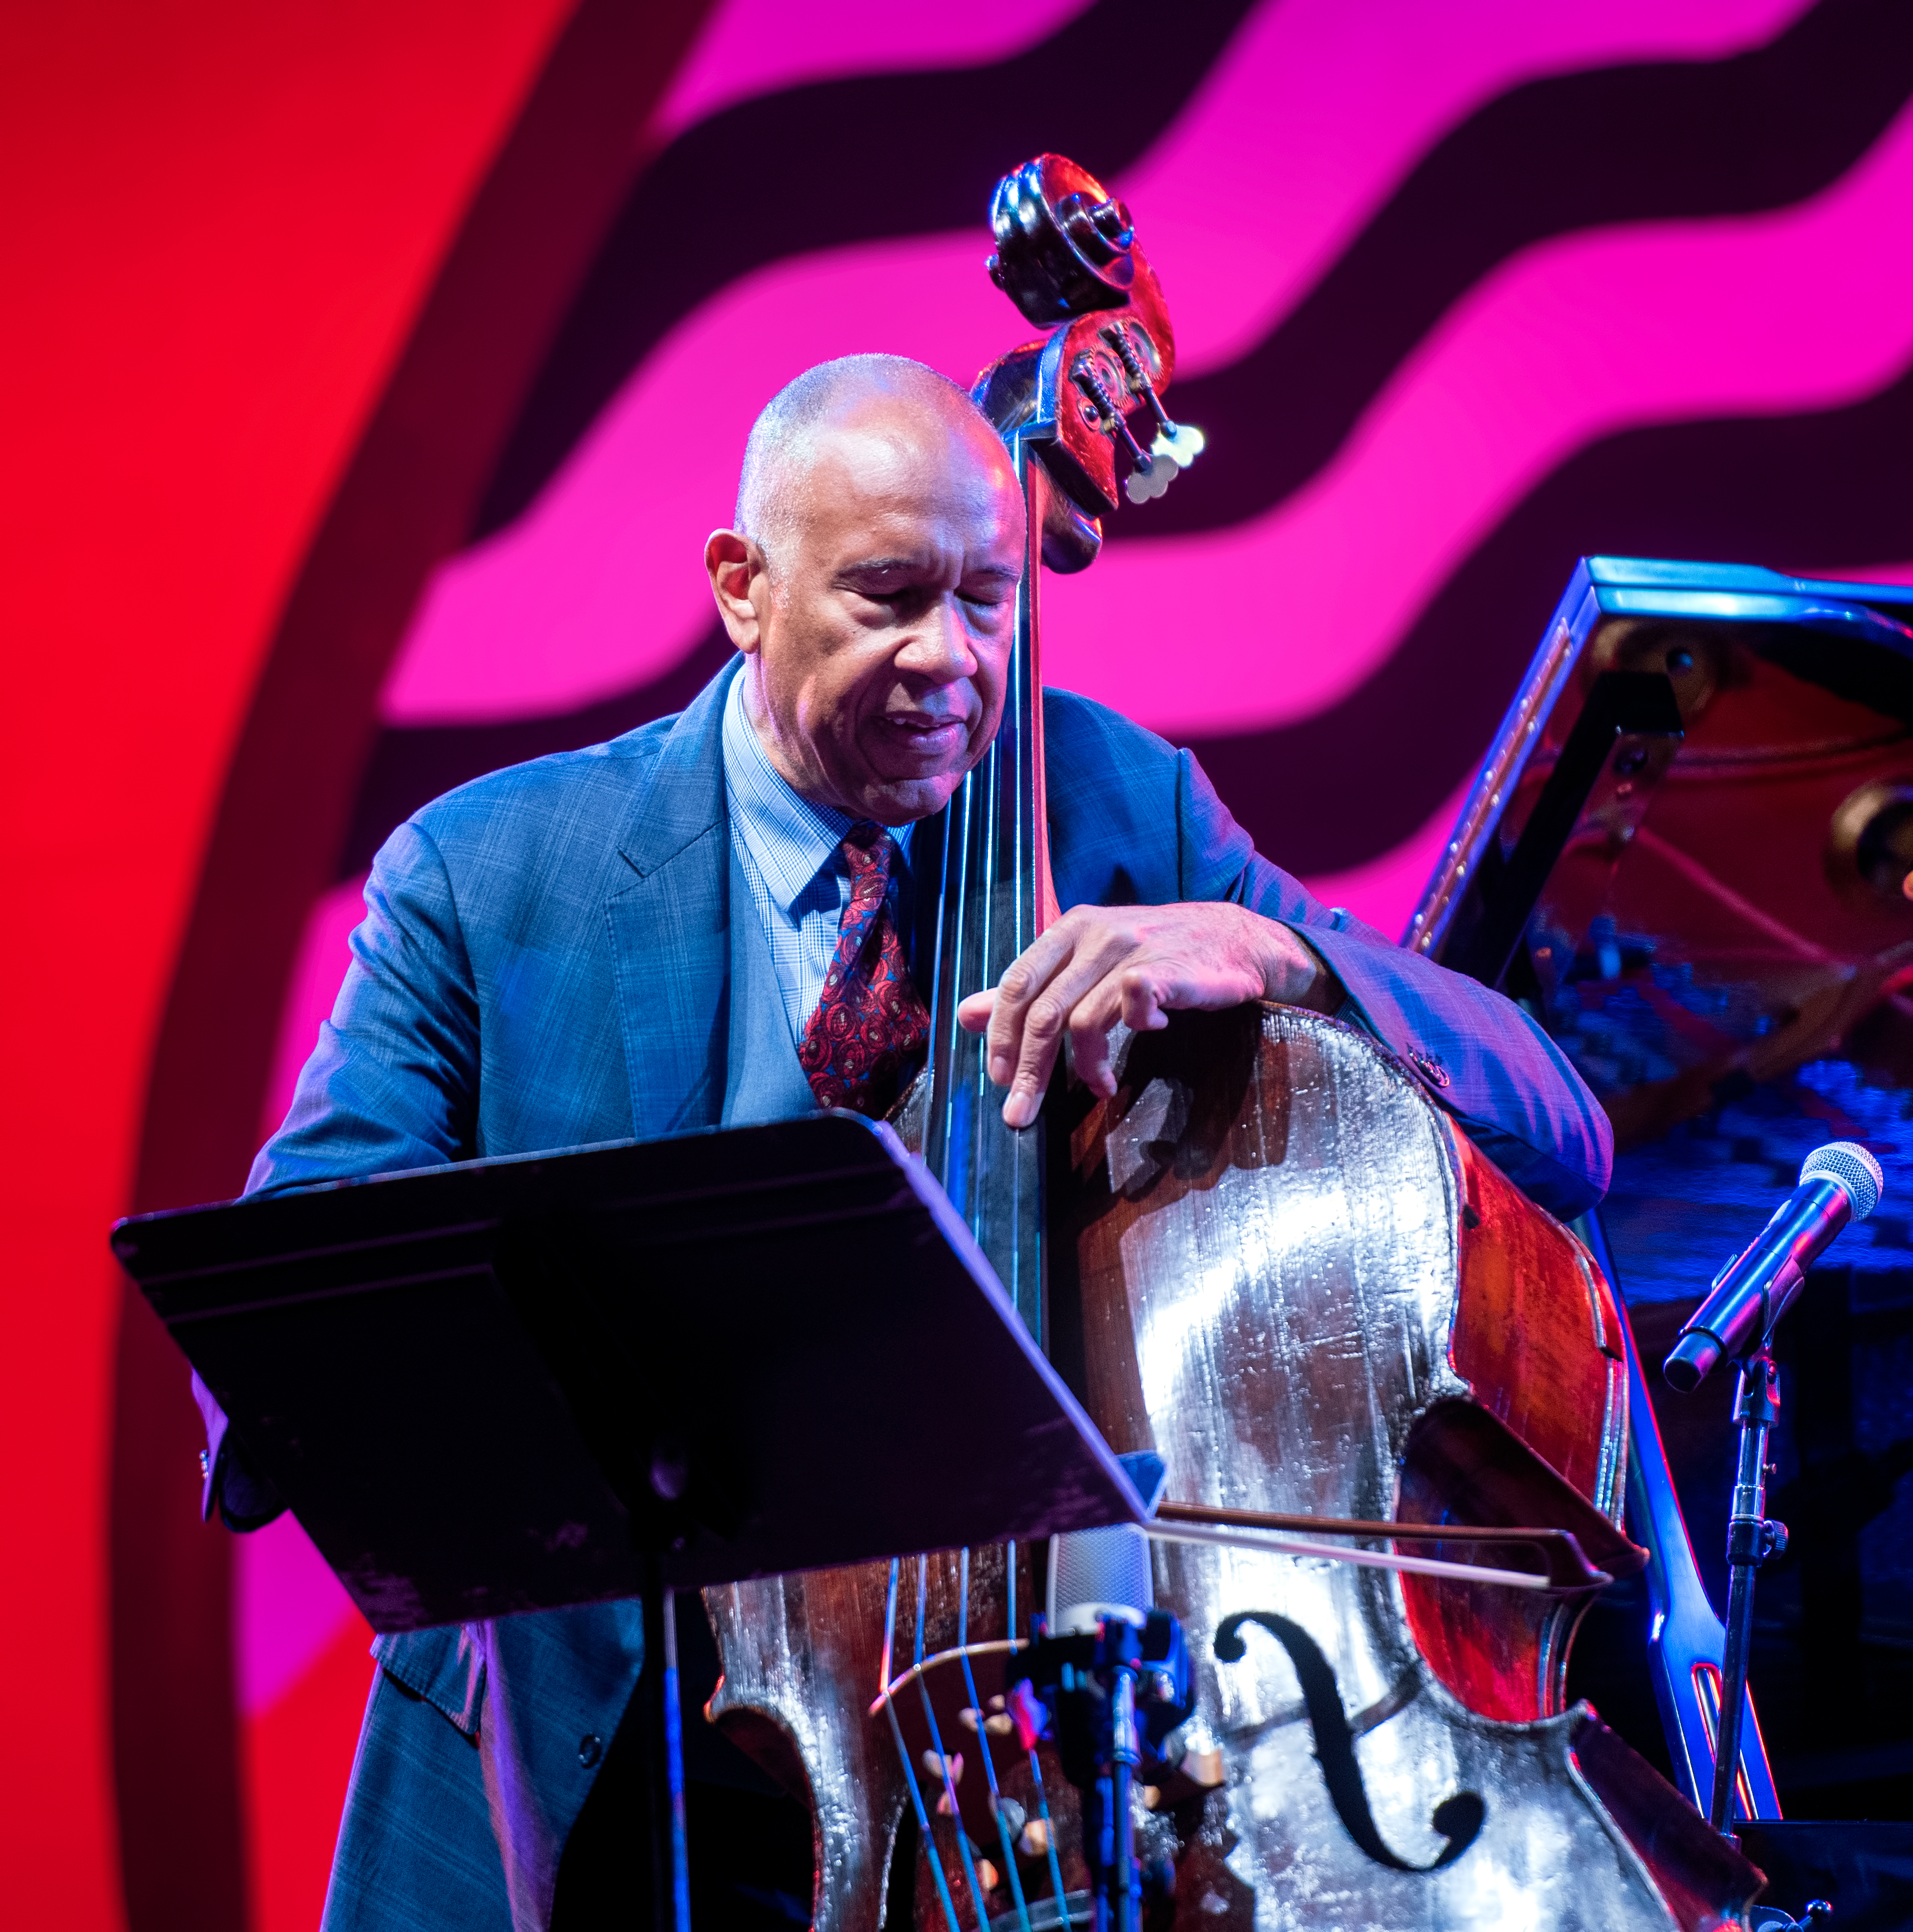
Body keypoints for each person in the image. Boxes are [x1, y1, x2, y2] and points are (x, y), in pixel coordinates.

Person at [217, 355, 1611, 1929]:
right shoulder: (485, 872)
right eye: (887, 596)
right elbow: (305, 1280)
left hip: (1039, 1766)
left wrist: (1271, 951)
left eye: (989, 601)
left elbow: (1557, 1117)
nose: (951, 659)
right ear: (743, 587)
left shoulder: (1111, 802)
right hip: (604, 1756)